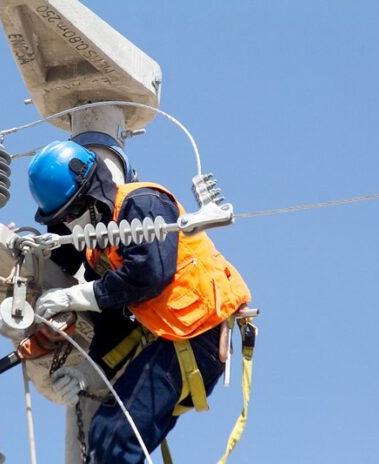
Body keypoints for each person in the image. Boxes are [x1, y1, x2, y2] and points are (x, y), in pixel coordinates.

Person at [28, 140, 251, 464]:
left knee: (115, 440)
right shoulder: (101, 253)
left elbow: (148, 274)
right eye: (65, 218)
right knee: (104, 435)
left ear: (92, 193)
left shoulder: (141, 203)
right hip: (169, 341)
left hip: (198, 336)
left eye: (75, 211)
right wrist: (85, 377)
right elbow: (113, 327)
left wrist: (73, 295)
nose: (73, 224)